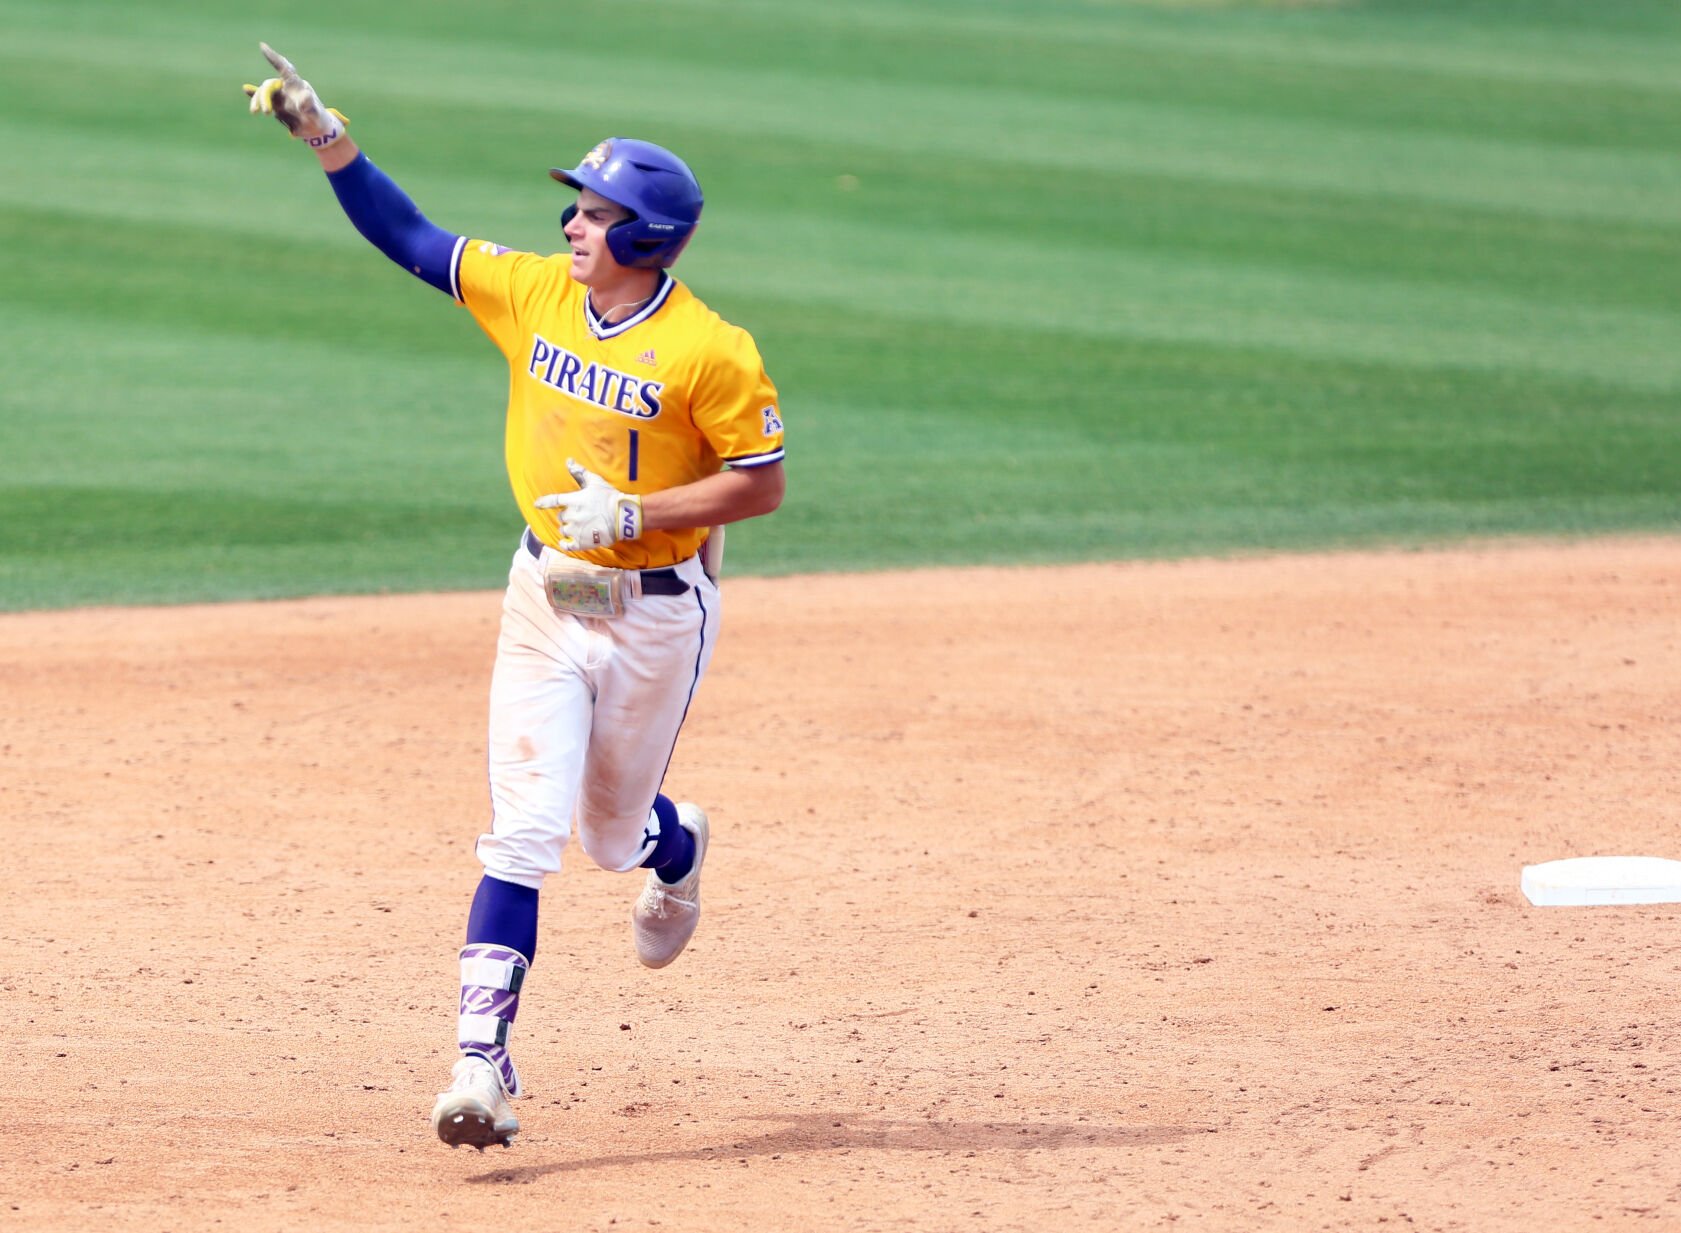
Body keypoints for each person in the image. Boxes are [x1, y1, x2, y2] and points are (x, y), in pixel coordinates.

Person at [244, 44, 787, 1151]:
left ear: (644, 237)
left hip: (654, 613)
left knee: (609, 835)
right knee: (521, 836)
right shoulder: (535, 294)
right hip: (546, 597)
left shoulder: (710, 352)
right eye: (576, 209)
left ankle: (675, 850)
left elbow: (762, 483)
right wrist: (324, 136)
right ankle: (480, 1065)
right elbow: (410, 239)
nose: (571, 228)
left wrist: (637, 513)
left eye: (594, 213)